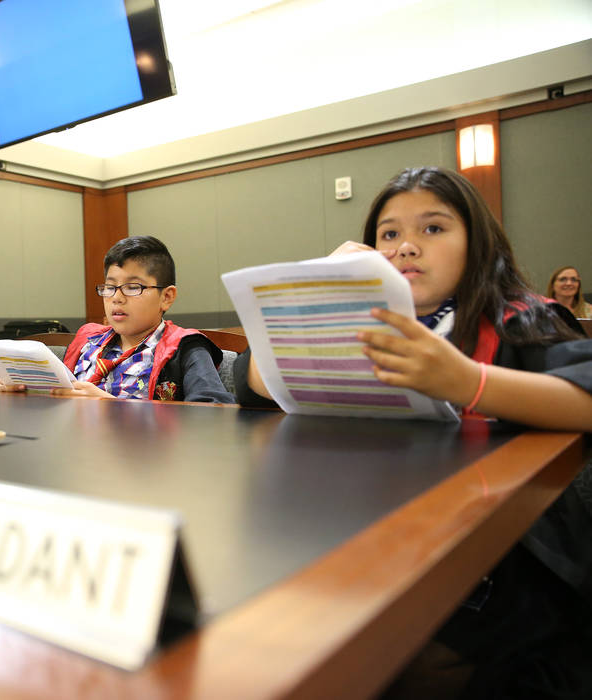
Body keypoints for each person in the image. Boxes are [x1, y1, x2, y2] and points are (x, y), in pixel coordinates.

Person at [236, 166, 592, 698]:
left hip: (504, 556)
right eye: (389, 234)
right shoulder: (363, 321)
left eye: (432, 229)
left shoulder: (518, 316)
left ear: (476, 241)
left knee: (403, 662)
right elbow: (251, 383)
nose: (406, 248)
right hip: (376, 534)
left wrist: (467, 381)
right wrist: (319, 290)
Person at [0, 235, 233, 402]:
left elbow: (213, 414)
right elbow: (60, 397)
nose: (116, 298)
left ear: (167, 297)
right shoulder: (88, 340)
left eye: (133, 287)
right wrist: (23, 392)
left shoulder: (185, 347)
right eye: (109, 287)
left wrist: (114, 407)